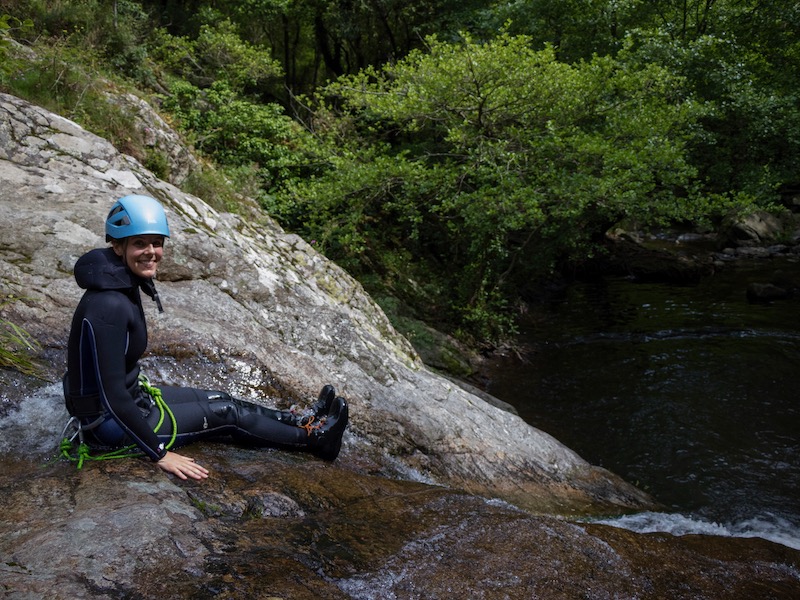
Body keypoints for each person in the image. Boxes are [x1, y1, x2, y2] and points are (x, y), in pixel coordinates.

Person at [62, 194, 348, 480]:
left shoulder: (120, 281)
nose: (151, 251)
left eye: (157, 243)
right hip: (108, 426)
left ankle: (302, 421)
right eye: (140, 243)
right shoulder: (109, 304)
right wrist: (159, 453)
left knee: (220, 396)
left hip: (130, 401)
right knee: (227, 414)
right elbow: (112, 395)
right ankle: (317, 440)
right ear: (117, 245)